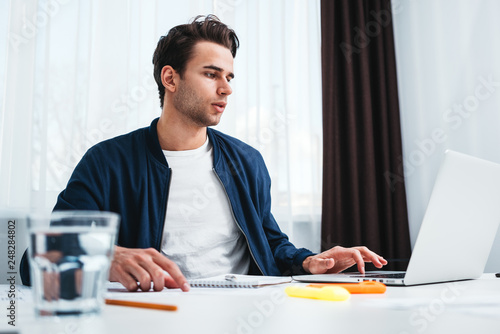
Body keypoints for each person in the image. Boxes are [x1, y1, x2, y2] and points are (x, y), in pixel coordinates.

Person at [20, 15, 387, 292]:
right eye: (212, 74)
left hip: (245, 311)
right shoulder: (107, 163)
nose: (226, 88)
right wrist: (103, 254)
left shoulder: (247, 162)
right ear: (170, 79)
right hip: (156, 314)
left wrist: (309, 261)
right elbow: (32, 263)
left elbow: (270, 243)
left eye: (229, 77)